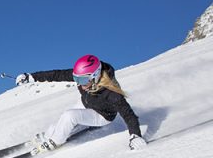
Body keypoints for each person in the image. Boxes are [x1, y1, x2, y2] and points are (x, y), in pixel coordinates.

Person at [15, 54, 147, 152]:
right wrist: (31, 77)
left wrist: (135, 136)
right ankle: (50, 134)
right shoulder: (86, 80)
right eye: (76, 79)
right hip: (86, 102)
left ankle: (55, 141)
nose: (79, 84)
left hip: (102, 115)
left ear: (94, 76)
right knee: (64, 119)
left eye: (82, 80)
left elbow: (129, 115)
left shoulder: (112, 93)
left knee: (70, 116)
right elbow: (56, 74)